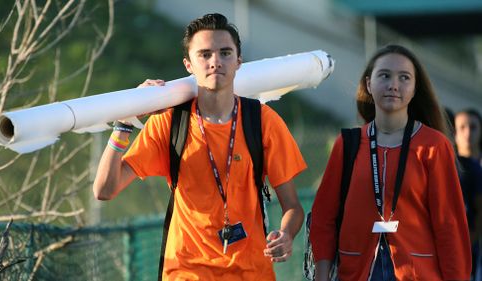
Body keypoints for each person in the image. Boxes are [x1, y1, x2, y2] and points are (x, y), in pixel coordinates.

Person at [93, 13, 306, 280]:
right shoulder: (170, 122)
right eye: (204, 54)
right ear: (188, 65)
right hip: (185, 272)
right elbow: (104, 189)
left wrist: (286, 235)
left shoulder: (262, 121)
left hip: (251, 272)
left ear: (239, 61)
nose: (215, 61)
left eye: (225, 53)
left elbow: (294, 207)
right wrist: (125, 121)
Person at [310, 44, 471, 281]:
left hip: (417, 273)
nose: (393, 85)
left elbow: (450, 226)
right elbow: (324, 218)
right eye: (384, 75)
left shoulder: (434, 146)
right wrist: (321, 276)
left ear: (415, 88)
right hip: (357, 271)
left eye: (404, 78)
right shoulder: (347, 144)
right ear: (368, 84)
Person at [455, 109, 482, 281]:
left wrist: (471, 240)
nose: (468, 133)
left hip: (472, 250)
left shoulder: (476, 168)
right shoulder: (446, 163)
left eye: (473, 127)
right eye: (462, 127)